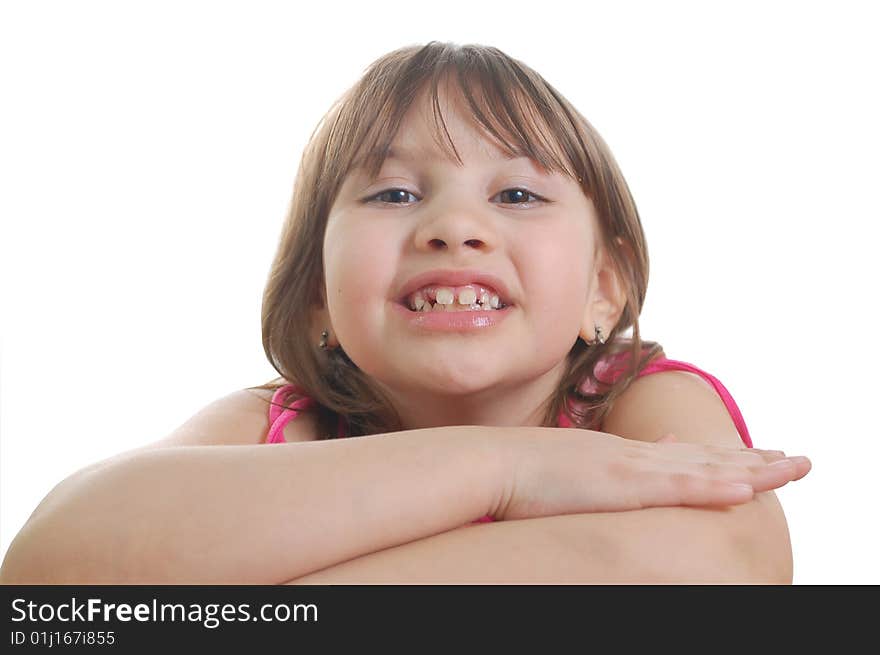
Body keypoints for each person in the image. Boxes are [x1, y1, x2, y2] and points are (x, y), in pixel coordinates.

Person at [0, 41, 811, 585]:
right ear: (317, 294)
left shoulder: (638, 399)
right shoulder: (277, 424)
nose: (454, 227)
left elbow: (731, 563)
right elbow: (49, 565)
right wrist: (510, 468)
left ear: (605, 286)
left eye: (518, 194)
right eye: (393, 193)